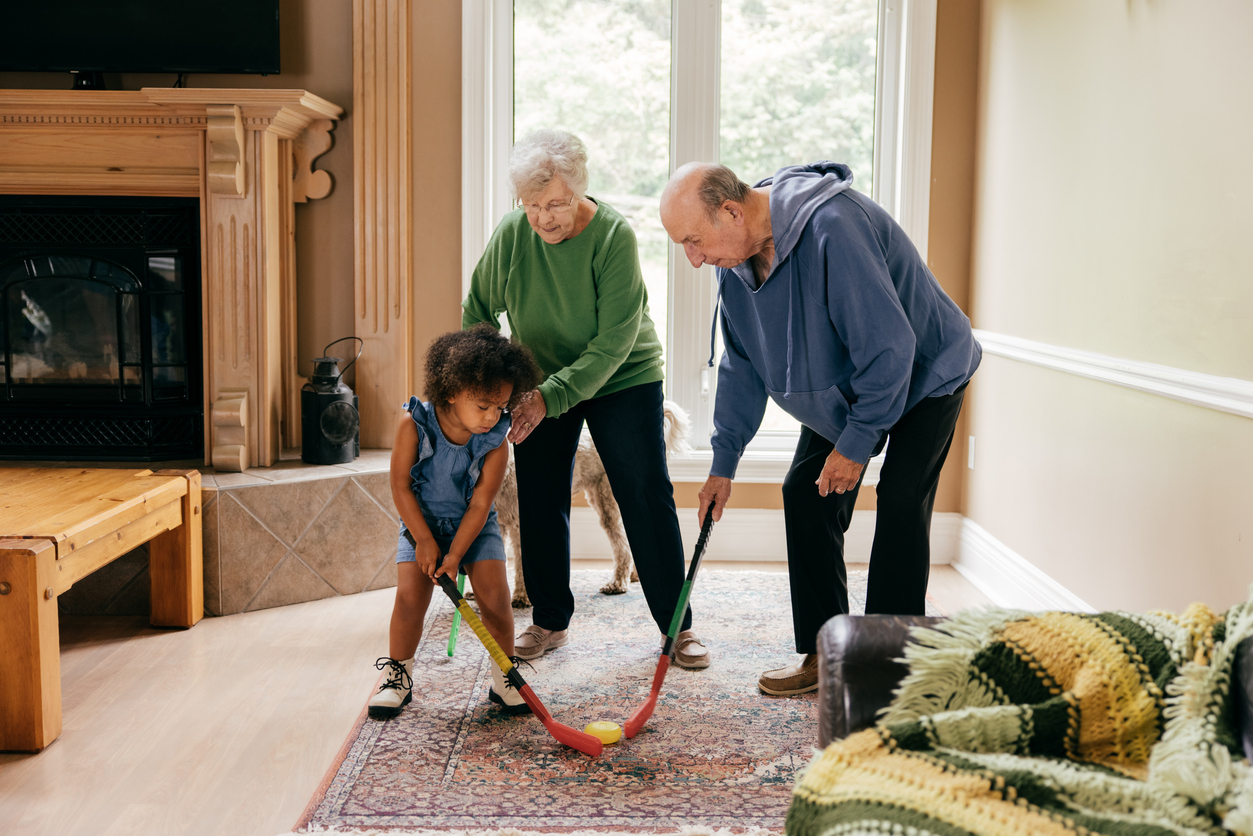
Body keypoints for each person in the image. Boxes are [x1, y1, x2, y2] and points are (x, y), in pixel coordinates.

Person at [659, 161, 981, 695]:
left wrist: (855, 446)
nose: (694, 260)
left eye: (694, 241)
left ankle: (888, 666)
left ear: (732, 211)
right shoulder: (734, 260)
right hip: (849, 382)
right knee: (805, 496)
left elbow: (889, 349)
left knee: (901, 500)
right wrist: (723, 464)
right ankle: (824, 653)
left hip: (925, 372)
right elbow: (741, 365)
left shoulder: (834, 226)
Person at [463, 129, 710, 669]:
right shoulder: (511, 235)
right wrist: (491, 383)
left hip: (622, 373)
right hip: (542, 376)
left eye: (557, 204)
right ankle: (550, 620)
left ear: (579, 192)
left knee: (644, 490)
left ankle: (677, 628)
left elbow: (614, 341)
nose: (546, 218)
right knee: (540, 490)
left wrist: (549, 396)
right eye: (533, 206)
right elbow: (478, 311)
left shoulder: (613, 236)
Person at [368, 324, 542, 719]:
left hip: (473, 528)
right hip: (420, 523)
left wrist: (456, 552)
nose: (492, 416)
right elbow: (400, 488)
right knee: (411, 599)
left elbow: (481, 504)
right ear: (450, 390)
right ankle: (398, 676)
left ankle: (505, 677)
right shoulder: (413, 424)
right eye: (483, 405)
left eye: (500, 407)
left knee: (497, 600)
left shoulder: (496, 439)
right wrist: (426, 542)